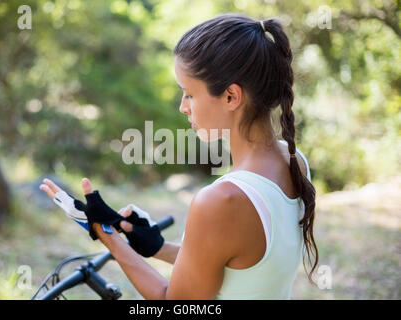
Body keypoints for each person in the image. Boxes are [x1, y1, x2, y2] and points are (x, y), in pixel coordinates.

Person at [40, 13, 318, 299]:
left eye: (189, 94)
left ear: (231, 97)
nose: (182, 107)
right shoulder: (294, 161)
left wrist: (105, 234)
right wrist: (156, 246)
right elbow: (241, 268)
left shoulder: (221, 200)